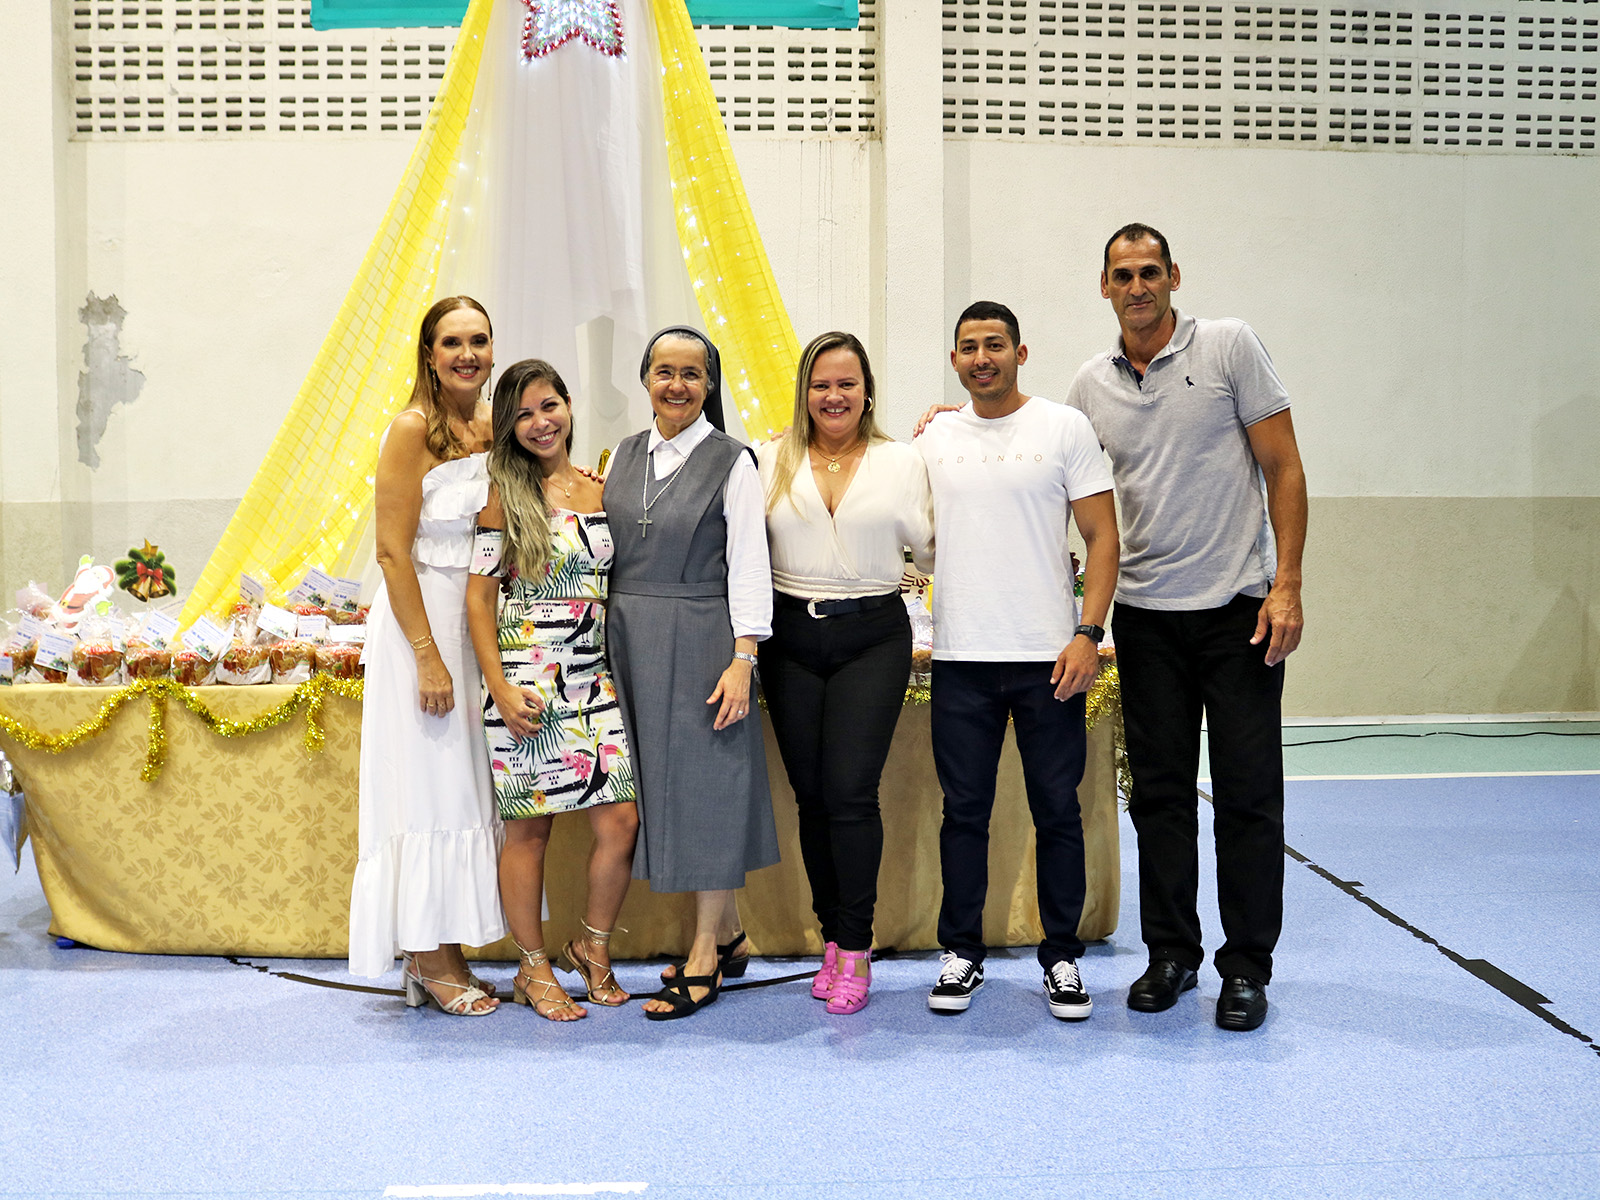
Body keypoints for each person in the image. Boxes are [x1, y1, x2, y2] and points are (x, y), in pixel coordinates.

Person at [1065, 223, 1307, 1032]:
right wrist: (948, 423)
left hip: (1240, 615)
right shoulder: (1090, 385)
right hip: (1145, 620)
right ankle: (1170, 953)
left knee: (1248, 799)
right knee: (1160, 799)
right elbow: (1051, 469)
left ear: (1173, 276)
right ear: (1105, 287)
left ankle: (1246, 969)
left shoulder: (1229, 347)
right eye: (1122, 275)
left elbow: (1284, 466)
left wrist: (1287, 585)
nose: (1137, 286)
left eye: (1149, 272)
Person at [915, 302, 1119, 1020]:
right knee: (963, 814)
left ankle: (1062, 956)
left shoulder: (1065, 427)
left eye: (995, 344)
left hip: (1048, 660)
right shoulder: (933, 437)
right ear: (954, 360)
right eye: (969, 347)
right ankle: (961, 954)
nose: (982, 358)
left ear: (1020, 353)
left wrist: (1088, 632)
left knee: (1057, 811)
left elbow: (1102, 537)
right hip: (962, 658)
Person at [601, 326, 778, 1021]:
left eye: (692, 374)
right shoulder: (621, 455)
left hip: (704, 638)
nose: (677, 386)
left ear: (710, 384)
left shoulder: (733, 461)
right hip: (627, 641)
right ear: (646, 379)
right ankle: (730, 934)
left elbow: (751, 565)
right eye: (664, 372)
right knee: (653, 790)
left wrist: (743, 658)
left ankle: (705, 953)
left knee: (706, 789)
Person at [757, 331, 935, 1015]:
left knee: (851, 792)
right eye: (821, 385)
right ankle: (831, 937)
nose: (834, 396)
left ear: (867, 393)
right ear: (804, 393)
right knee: (812, 797)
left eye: (847, 384)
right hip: (790, 637)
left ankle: (857, 948)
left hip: (872, 635)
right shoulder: (768, 459)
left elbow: (932, 548)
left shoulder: (902, 462)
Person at [465, 358, 640, 1021]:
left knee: (621, 821)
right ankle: (532, 968)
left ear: (569, 405)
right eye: (523, 414)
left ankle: (591, 947)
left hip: (593, 679)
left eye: (549, 406)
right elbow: (478, 600)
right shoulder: (503, 497)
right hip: (526, 687)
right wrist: (500, 688)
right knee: (529, 834)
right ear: (508, 427)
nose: (540, 423)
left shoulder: (600, 489)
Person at [349, 295, 508, 1016]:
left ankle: (444, 950)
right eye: (452, 342)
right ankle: (426, 955)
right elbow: (391, 552)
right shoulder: (411, 429)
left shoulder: (492, 425)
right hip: (421, 625)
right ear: (429, 354)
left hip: (474, 622)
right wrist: (427, 655)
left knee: (462, 787)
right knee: (427, 786)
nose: (467, 354)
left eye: (479, 340)